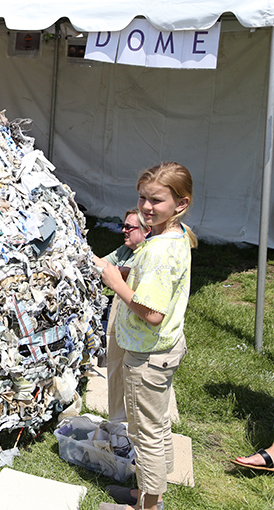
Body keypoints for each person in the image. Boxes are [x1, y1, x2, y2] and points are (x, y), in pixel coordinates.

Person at [93, 162, 197, 510]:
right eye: (142, 198)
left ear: (180, 204)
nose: (146, 207)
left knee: (145, 434)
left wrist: (118, 284)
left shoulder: (156, 250)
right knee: (158, 425)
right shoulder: (177, 235)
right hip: (164, 350)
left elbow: (152, 314)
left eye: (156, 201)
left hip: (146, 355)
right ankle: (150, 493)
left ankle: (147, 507)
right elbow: (151, 278)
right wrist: (121, 269)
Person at [101, 209, 151, 424]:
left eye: (129, 227)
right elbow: (104, 264)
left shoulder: (146, 255)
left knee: (134, 380)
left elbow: (119, 273)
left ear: (146, 231)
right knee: (115, 370)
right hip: (120, 320)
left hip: (138, 325)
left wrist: (111, 270)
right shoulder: (125, 250)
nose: (123, 230)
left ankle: (133, 424)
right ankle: (117, 422)